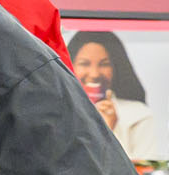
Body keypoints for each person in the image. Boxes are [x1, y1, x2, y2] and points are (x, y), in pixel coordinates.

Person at [68, 29, 159, 158]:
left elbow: (142, 173)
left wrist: (109, 131)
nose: (94, 74)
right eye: (84, 64)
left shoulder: (139, 115)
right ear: (69, 66)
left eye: (104, 64)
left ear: (116, 68)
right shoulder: (59, 112)